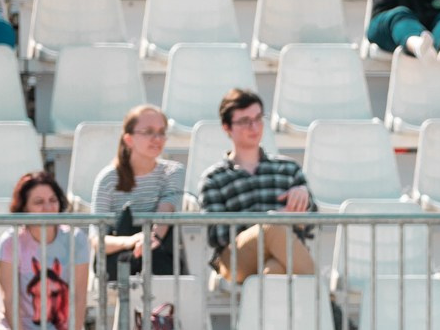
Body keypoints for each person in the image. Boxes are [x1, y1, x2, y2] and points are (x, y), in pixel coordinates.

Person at [198, 89, 316, 282]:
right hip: (235, 260)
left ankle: (261, 312)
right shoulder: (214, 178)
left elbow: (311, 224)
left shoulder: (288, 168)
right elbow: (217, 235)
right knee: (272, 226)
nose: (254, 127)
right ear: (227, 127)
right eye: (245, 121)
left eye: (258, 118)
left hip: (284, 255)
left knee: (274, 270)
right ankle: (327, 303)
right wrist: (273, 219)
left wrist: (303, 198)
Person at [0, 171, 89, 330]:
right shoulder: (11, 242)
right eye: (38, 202)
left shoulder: (76, 239)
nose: (48, 207)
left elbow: (79, 297)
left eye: (52, 200)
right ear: (24, 207)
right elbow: (9, 298)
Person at [93, 104, 186, 280]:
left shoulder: (174, 172)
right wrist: (132, 241)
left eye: (161, 132)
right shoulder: (108, 178)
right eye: (148, 132)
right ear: (129, 139)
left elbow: (165, 212)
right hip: (120, 259)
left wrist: (149, 239)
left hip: (158, 256)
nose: (157, 138)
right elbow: (97, 239)